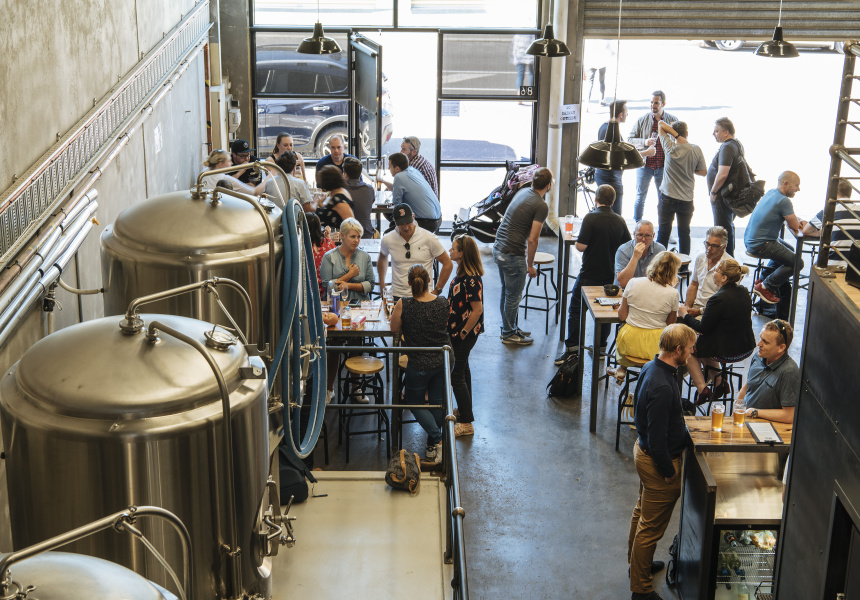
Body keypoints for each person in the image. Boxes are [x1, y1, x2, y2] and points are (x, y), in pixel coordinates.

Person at [628, 323, 697, 600]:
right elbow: (657, 439)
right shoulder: (663, 387)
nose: (692, 353)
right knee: (650, 528)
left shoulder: (652, 366)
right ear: (678, 349)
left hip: (643, 451)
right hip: (658, 461)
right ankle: (641, 590)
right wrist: (668, 472)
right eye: (690, 349)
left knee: (641, 512)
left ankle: (638, 566)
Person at [556, 184, 631, 365]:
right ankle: (601, 349)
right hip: (610, 277)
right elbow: (627, 246)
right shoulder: (620, 220)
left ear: (596, 199)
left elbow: (581, 246)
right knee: (605, 311)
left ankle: (572, 350)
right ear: (613, 201)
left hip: (589, 274)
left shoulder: (590, 218)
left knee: (576, 310)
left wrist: (582, 242)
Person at [389, 264, 451, 465]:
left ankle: (438, 439)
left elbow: (394, 328)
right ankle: (433, 449)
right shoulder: (442, 302)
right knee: (436, 403)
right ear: (429, 281)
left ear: (409, 283)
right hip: (442, 359)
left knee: (413, 402)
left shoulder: (404, 304)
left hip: (419, 363)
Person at [678, 258, 757, 403]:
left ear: (724, 277)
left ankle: (702, 389)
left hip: (728, 352)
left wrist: (684, 314)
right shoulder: (743, 291)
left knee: (689, 346)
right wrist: (700, 311)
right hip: (745, 348)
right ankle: (719, 382)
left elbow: (702, 328)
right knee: (702, 343)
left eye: (716, 270)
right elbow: (724, 309)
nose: (713, 272)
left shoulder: (718, 298)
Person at [492, 167, 553, 346]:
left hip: (499, 249)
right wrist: (530, 265)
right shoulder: (541, 205)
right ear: (548, 186)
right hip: (512, 254)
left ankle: (508, 327)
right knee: (513, 296)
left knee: (507, 292)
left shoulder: (523, 192)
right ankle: (509, 334)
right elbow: (533, 240)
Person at [609, 251, 681, 382]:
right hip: (656, 347)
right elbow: (670, 325)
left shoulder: (633, 282)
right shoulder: (673, 293)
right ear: (673, 272)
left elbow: (622, 316)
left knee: (624, 329)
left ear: (653, 265)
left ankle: (622, 368)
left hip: (629, 344)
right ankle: (653, 378)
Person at [743, 171, 807, 305]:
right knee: (798, 263)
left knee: (788, 249)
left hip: (750, 240)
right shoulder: (784, 201)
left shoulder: (772, 193)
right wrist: (799, 223)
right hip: (761, 244)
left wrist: (794, 220)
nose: (798, 189)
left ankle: (762, 279)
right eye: (796, 185)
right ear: (786, 183)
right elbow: (795, 226)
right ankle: (766, 286)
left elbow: (789, 218)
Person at [447, 234, 484, 437]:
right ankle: (464, 410)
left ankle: (467, 423)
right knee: (463, 370)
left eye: (453, 249)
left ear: (461, 253)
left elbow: (477, 310)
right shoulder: (462, 275)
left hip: (464, 333)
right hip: (458, 331)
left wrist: (462, 332)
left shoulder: (471, 280)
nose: (450, 251)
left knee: (456, 375)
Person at [594, 100, 657, 217]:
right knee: (615, 215)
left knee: (604, 211)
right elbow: (624, 156)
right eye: (626, 112)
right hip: (611, 178)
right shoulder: (612, 131)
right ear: (621, 114)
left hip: (603, 175)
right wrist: (647, 152)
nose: (627, 114)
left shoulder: (604, 127)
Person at [378, 204, 452, 301]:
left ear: (413, 217)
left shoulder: (429, 238)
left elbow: (448, 263)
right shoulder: (388, 239)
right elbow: (382, 257)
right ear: (394, 221)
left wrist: (437, 290)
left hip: (424, 296)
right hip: (398, 295)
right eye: (401, 224)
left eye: (408, 222)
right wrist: (382, 284)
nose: (406, 228)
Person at [655, 120, 707, 255]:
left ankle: (658, 263)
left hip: (667, 196)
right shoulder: (695, 149)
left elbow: (661, 124)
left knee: (663, 232)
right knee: (684, 233)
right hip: (686, 199)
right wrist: (688, 168)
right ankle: (684, 264)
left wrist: (676, 136)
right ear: (687, 133)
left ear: (672, 135)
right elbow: (703, 172)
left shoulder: (669, 147)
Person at [627, 91, 678, 222]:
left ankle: (663, 227)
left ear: (663, 104)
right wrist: (644, 142)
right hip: (645, 165)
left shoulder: (672, 121)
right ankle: (637, 225)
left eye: (656, 103)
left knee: (663, 198)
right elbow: (629, 140)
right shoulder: (642, 120)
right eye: (651, 102)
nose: (653, 106)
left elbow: (680, 141)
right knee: (640, 197)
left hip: (663, 167)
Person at [739, 320, 799, 424]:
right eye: (760, 338)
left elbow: (789, 415)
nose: (759, 344)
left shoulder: (789, 372)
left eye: (765, 342)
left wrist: (755, 412)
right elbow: (746, 387)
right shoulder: (758, 357)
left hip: (764, 425)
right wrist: (737, 410)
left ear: (781, 348)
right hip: (744, 419)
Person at [707, 117, 744, 257]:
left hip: (722, 196)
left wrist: (713, 192)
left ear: (726, 132)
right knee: (727, 228)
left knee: (722, 232)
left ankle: (725, 261)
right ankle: (728, 260)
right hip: (728, 195)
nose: (713, 134)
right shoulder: (736, 144)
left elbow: (722, 174)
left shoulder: (727, 147)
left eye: (716, 131)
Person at [380, 152, 442, 233]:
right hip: (437, 219)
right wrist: (383, 181)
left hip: (425, 222)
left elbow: (397, 205)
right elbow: (399, 189)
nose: (388, 168)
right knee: (394, 225)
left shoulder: (398, 177)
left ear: (397, 168)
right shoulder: (413, 170)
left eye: (390, 166)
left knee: (388, 235)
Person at [802, 177, 860, 261]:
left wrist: (828, 231)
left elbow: (806, 231)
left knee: (816, 264)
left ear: (834, 192)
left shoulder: (830, 210)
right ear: (850, 192)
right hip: (855, 266)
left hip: (833, 263)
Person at [320, 218, 375, 304]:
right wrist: (350, 274)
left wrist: (348, 285)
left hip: (361, 306)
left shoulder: (365, 257)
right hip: (336, 306)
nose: (356, 240)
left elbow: (371, 285)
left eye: (359, 237)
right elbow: (327, 288)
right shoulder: (329, 257)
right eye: (353, 236)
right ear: (342, 235)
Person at [684, 226, 732, 318]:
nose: (709, 249)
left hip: (713, 311)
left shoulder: (729, 265)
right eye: (707, 243)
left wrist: (698, 312)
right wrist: (687, 307)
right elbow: (694, 284)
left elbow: (725, 301)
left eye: (714, 246)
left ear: (723, 247)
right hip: (696, 306)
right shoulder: (700, 258)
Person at [615, 220, 667, 288]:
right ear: (634, 234)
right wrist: (635, 257)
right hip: (626, 290)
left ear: (653, 236)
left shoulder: (660, 250)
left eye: (647, 236)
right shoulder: (623, 250)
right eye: (640, 235)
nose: (643, 239)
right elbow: (623, 282)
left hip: (649, 290)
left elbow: (664, 279)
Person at [342, 156, 377, 238]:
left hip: (347, 236)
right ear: (360, 173)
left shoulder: (341, 191)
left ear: (345, 174)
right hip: (367, 234)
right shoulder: (369, 189)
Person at [315, 165, 355, 231]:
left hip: (335, 235)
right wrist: (321, 204)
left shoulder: (339, 200)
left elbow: (351, 225)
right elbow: (332, 212)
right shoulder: (337, 192)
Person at [306, 213, 336, 299]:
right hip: (327, 290)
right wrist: (328, 237)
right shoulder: (329, 243)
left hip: (308, 291)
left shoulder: (301, 247)